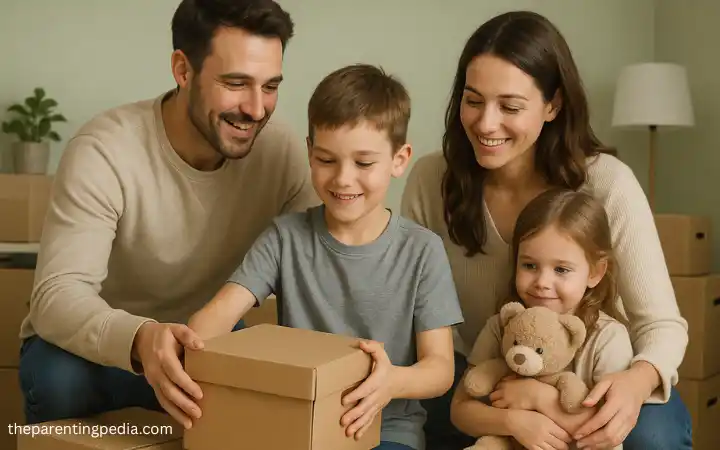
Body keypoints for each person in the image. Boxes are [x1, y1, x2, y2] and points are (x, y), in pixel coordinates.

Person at [18, 0, 319, 429]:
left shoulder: (282, 153)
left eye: (270, 86)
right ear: (183, 70)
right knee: (55, 379)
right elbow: (56, 296)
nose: (256, 109)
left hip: (205, 344)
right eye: (236, 83)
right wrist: (141, 337)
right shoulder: (105, 149)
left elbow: (319, 267)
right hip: (103, 349)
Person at [400, 10, 692, 450]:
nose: (485, 124)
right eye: (473, 100)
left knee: (651, 438)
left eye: (510, 107)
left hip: (598, 379)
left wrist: (635, 383)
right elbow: (411, 311)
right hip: (491, 372)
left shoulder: (606, 183)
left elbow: (663, 325)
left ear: (553, 104)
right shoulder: (430, 180)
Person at [187, 63, 465, 450]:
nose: (343, 179)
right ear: (309, 152)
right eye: (326, 160)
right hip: (295, 429)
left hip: (386, 433)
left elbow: (440, 370)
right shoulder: (285, 238)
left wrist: (392, 382)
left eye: (364, 163)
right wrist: (189, 346)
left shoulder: (422, 250)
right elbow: (217, 317)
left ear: (399, 160)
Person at [451, 188, 641, 450]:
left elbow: (606, 433)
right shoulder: (503, 325)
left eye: (561, 269)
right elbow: (460, 410)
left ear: (595, 272)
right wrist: (513, 421)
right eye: (529, 265)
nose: (542, 283)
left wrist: (539, 399)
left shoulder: (607, 337)